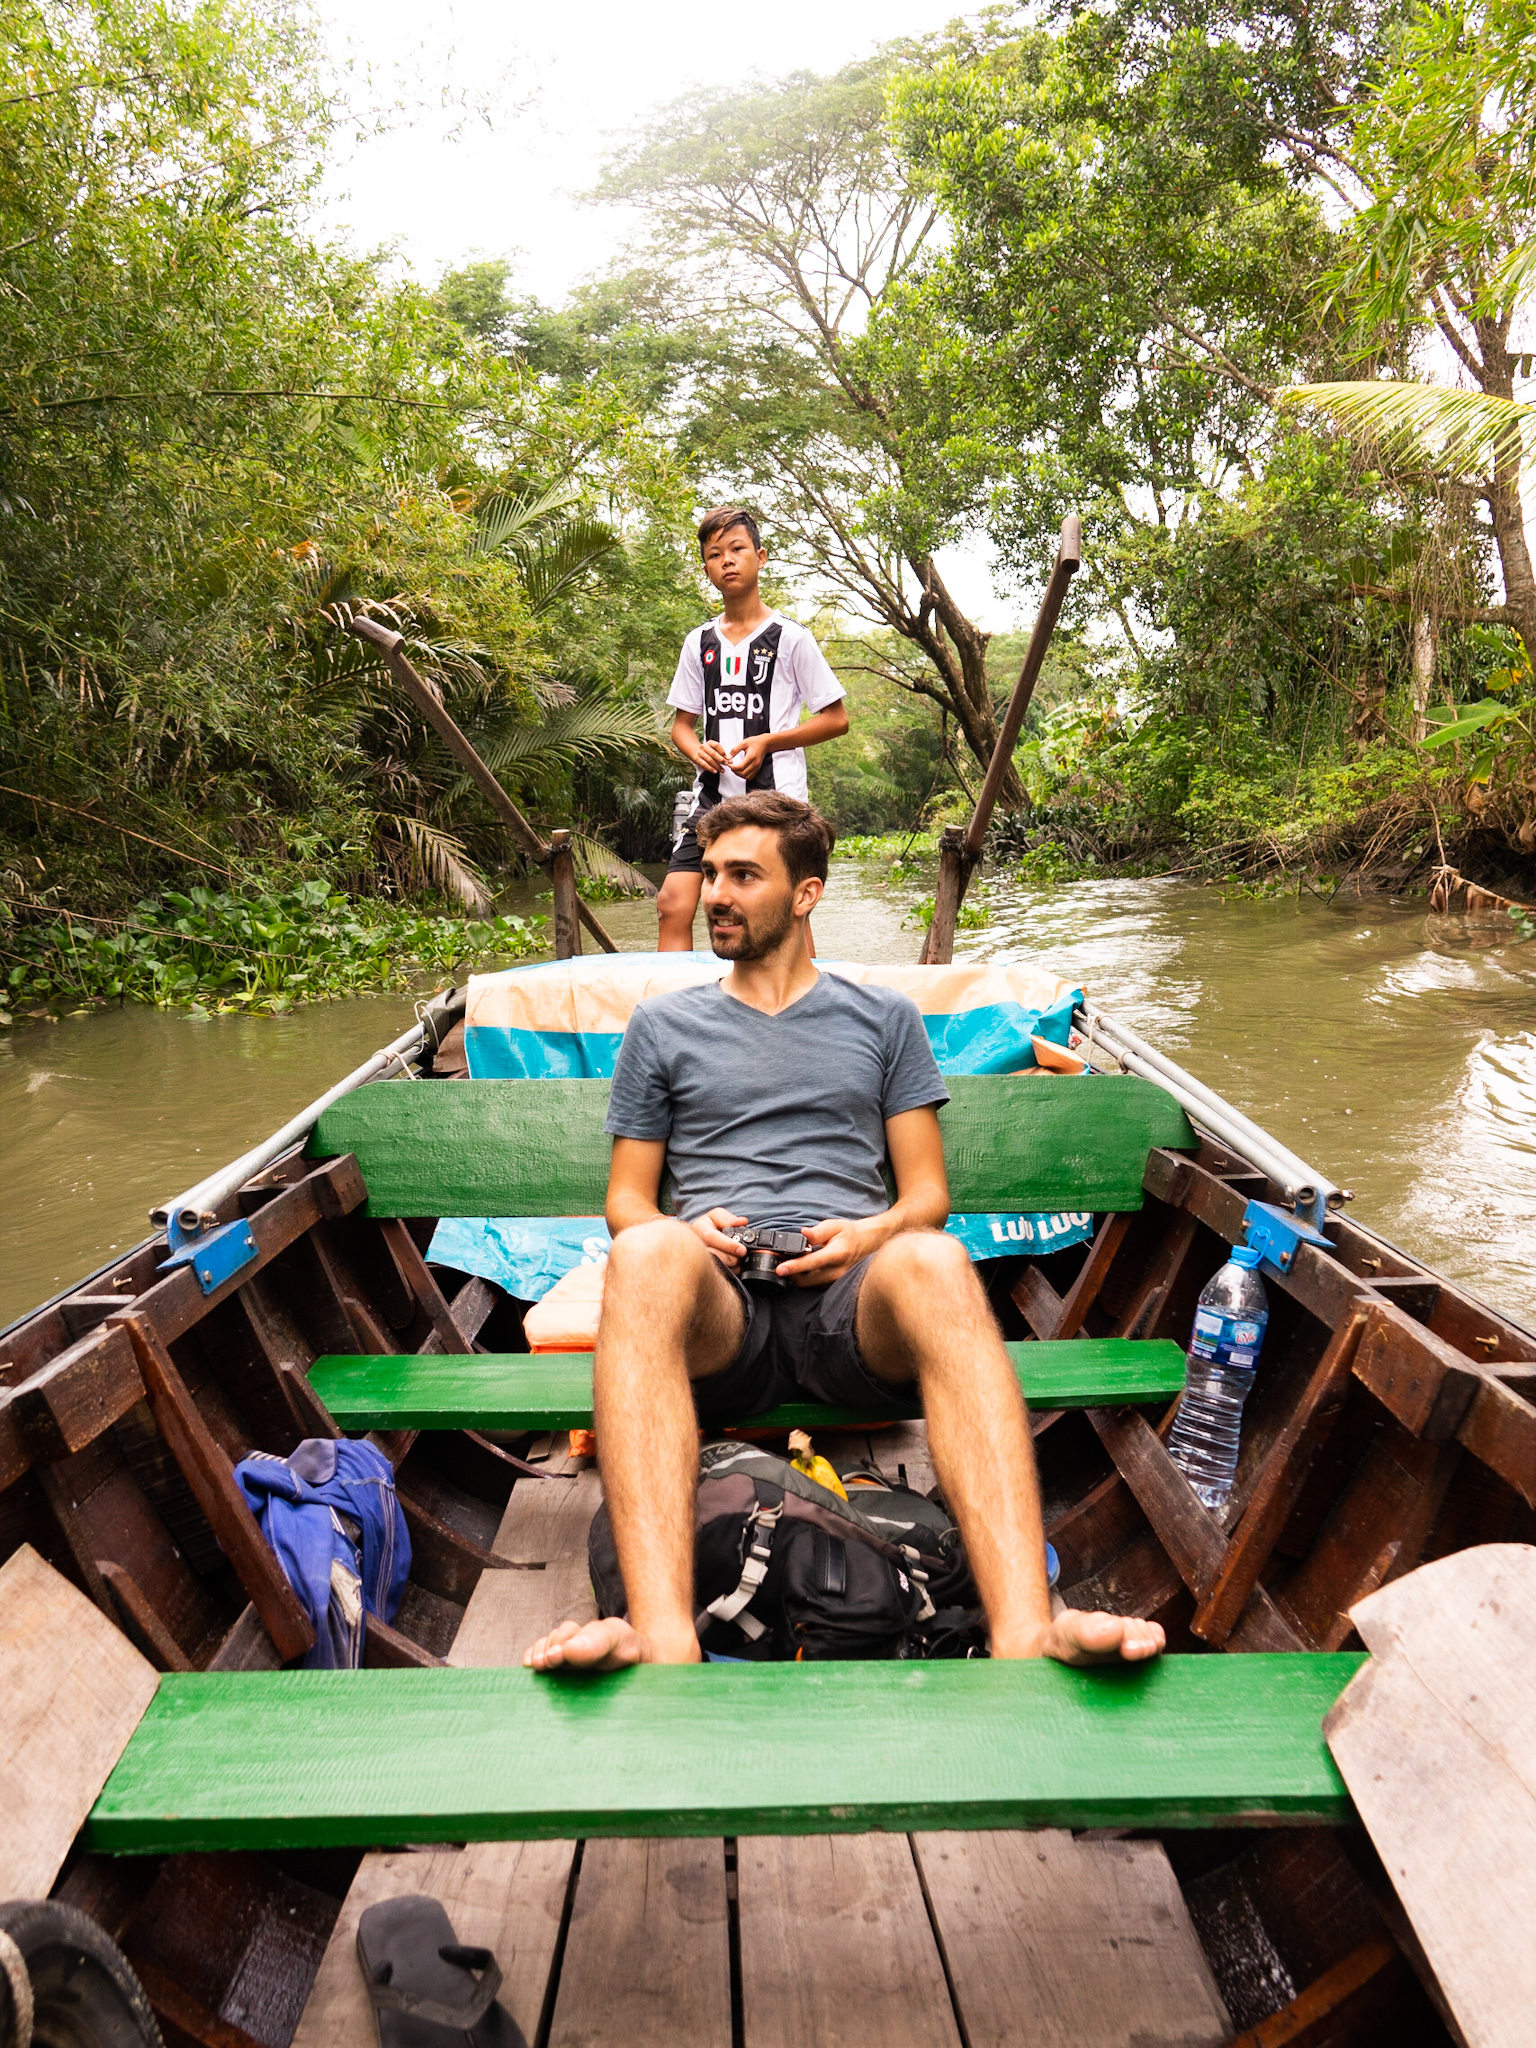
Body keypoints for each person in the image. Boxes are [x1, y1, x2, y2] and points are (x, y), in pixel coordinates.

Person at [525, 789, 1166, 1674]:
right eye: (711, 874)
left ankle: (1026, 1628)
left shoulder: (883, 1020)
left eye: (743, 875)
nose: (716, 894)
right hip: (724, 1312)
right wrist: (687, 1228)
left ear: (806, 894)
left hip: (847, 1310)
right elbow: (627, 1203)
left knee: (936, 1258)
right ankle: (661, 1634)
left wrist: (866, 1238)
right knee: (644, 1249)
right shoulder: (664, 1026)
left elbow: (925, 1197)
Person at [657, 505, 849, 951]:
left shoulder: (791, 637)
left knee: (788, 914)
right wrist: (696, 750)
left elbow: (836, 719)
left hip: (777, 801)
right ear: (706, 569)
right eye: (714, 554)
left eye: (737, 549)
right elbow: (682, 726)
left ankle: (804, 994)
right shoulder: (698, 642)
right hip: (711, 798)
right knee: (672, 903)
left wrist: (768, 742)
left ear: (760, 557)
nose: (726, 560)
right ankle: (679, 996)